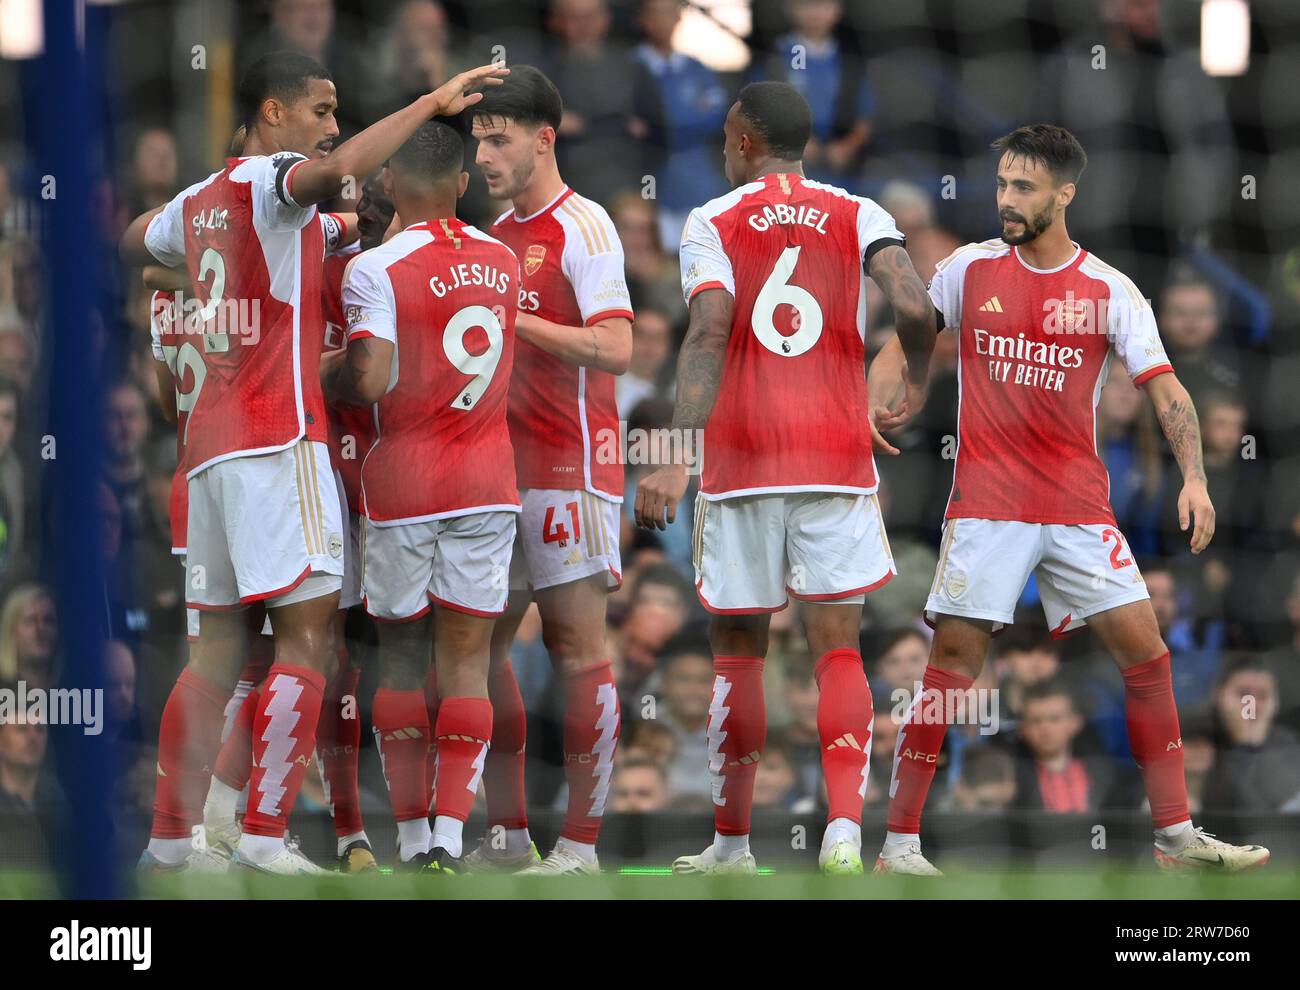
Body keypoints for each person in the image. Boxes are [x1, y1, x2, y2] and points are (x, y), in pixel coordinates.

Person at [120, 50, 507, 874]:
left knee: (215, 657)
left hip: (208, 458)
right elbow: (329, 174)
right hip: (278, 441)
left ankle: (167, 839)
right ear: (273, 113)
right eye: (321, 109)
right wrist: (427, 100)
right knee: (308, 640)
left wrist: (197, 270)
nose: (330, 128)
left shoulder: (198, 200)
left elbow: (131, 241)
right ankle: (263, 835)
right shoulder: (275, 179)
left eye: (336, 113)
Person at [868, 123, 1268, 875]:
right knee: (951, 663)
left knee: (1146, 653)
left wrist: (1195, 479)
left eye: (1023, 188)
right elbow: (905, 335)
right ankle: (898, 846)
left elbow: (1167, 390)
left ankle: (1176, 837)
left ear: (1064, 194)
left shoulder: (1109, 290)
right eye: (1002, 185)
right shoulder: (968, 269)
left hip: (1079, 507)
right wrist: (873, 399)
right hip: (987, 503)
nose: (1006, 201)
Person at [634, 80, 937, 875]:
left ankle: (732, 846)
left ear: (740, 141)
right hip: (835, 458)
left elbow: (707, 328)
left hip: (743, 461)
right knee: (838, 646)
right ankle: (843, 832)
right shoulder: (859, 210)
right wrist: (919, 379)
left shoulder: (714, 220)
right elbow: (912, 302)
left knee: (739, 649)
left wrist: (672, 451)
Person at [328, 119, 521, 873]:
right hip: (486, 480)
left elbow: (369, 378)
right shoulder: (503, 260)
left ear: (386, 183)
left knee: (402, 661)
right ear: (464, 183)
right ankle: (449, 836)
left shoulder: (375, 267)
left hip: (405, 481)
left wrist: (318, 372)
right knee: (468, 663)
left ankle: (408, 839)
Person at [465, 65, 634, 876]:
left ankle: (583, 847)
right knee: (480, 650)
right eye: (475, 140)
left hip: (572, 471)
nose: (484, 155)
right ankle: (506, 833)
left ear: (543, 138)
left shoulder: (587, 227)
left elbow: (616, 346)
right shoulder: (494, 237)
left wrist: (520, 321)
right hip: (498, 474)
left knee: (576, 652)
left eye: (498, 139)